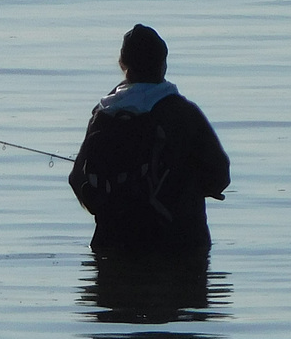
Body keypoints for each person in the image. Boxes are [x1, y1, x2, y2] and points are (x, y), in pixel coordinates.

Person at [69, 24, 230, 255]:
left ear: (122, 65)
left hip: (113, 242)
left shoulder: (104, 114)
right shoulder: (183, 113)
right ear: (163, 64)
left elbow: (77, 179)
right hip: (180, 242)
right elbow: (220, 175)